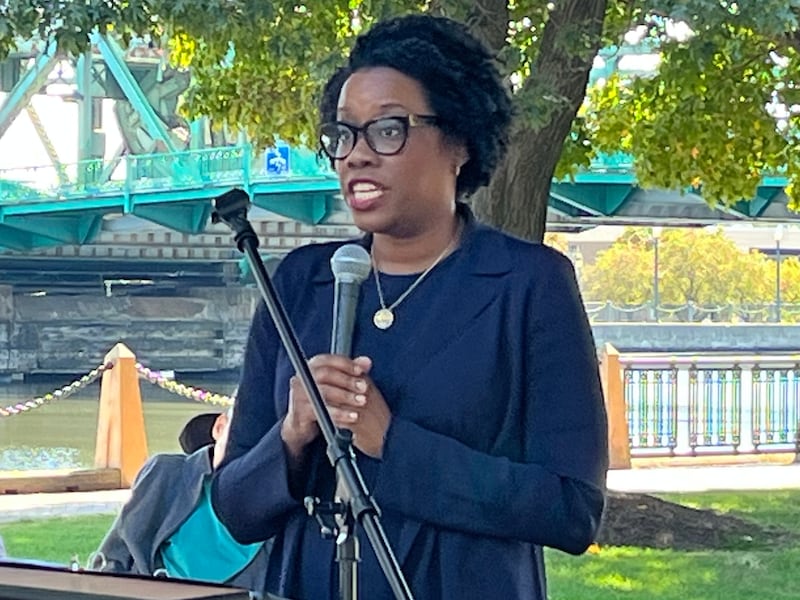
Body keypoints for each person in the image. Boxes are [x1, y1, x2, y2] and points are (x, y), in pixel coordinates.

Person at [212, 13, 608, 600]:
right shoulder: (298, 283)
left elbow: (571, 510)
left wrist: (391, 443)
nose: (357, 156)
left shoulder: (528, 285)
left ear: (459, 141)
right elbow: (235, 508)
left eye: (388, 130)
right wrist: (294, 434)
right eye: (343, 134)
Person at [93, 408, 270, 592]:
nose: (251, 451)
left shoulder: (286, 507)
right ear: (220, 427)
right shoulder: (165, 474)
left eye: (264, 443)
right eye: (245, 434)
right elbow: (111, 559)